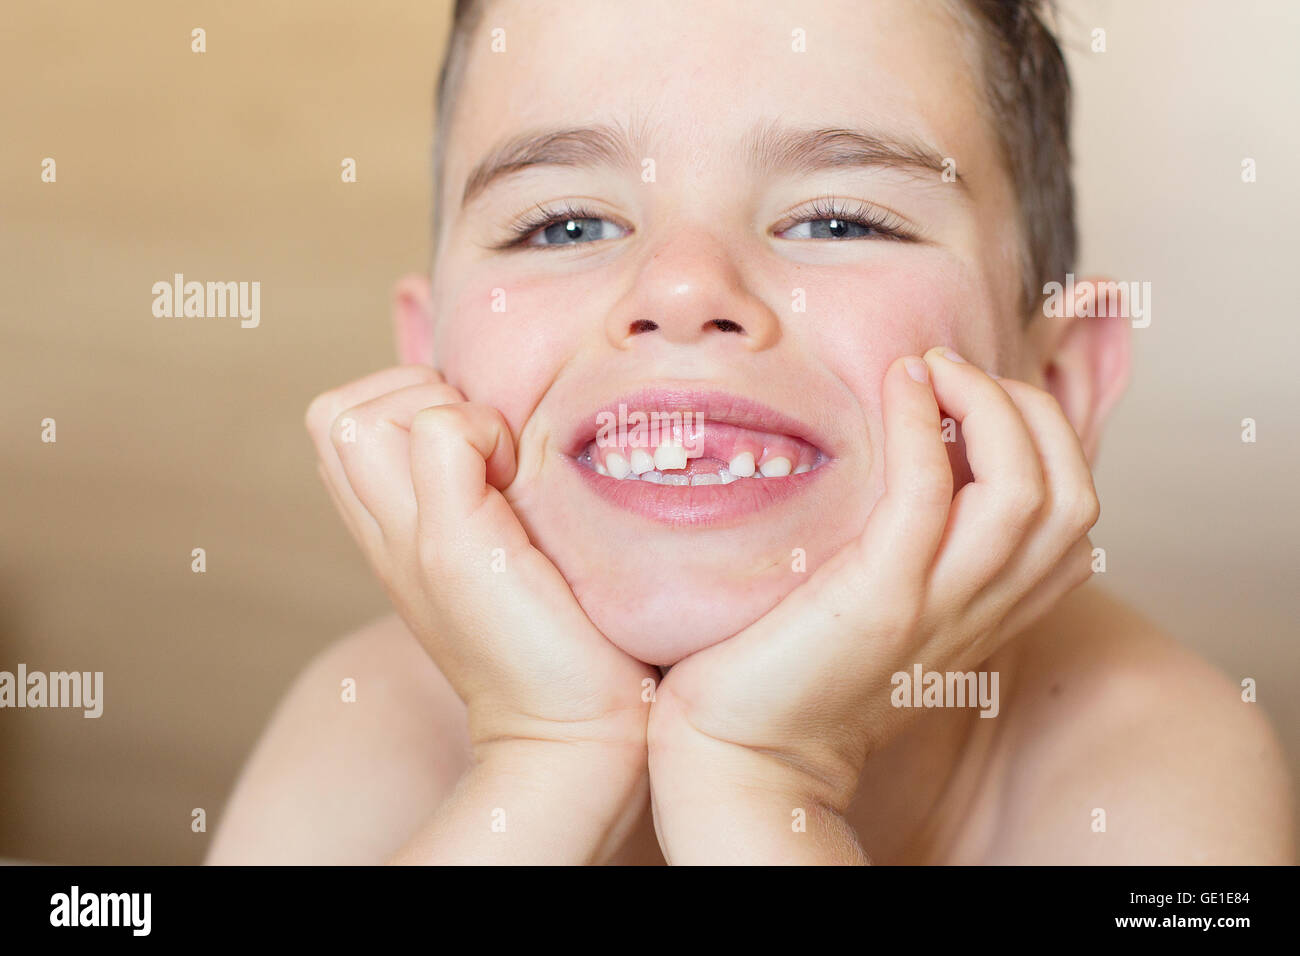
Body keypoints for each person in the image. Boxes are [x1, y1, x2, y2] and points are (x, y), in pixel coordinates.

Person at [206, 0, 1293, 864]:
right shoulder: (378, 717)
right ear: (431, 365)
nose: (681, 287)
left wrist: (764, 780)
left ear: (1051, 379)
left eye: (838, 218)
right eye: (564, 223)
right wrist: (543, 764)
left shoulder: (1158, 762)